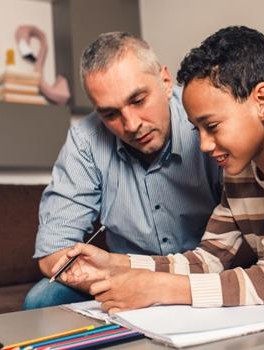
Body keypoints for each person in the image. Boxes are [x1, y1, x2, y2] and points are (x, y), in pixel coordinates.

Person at [52, 26, 264, 312]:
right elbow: (207, 259)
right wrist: (116, 262)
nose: (202, 144)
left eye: (212, 126)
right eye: (197, 129)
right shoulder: (238, 171)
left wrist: (160, 287)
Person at [23, 32, 223, 309]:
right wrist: (120, 283)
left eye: (138, 100)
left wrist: (160, 287)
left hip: (208, 271)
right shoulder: (85, 141)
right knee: (41, 300)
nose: (130, 125)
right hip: (122, 275)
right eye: (110, 114)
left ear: (165, 81)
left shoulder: (204, 119)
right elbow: (53, 251)